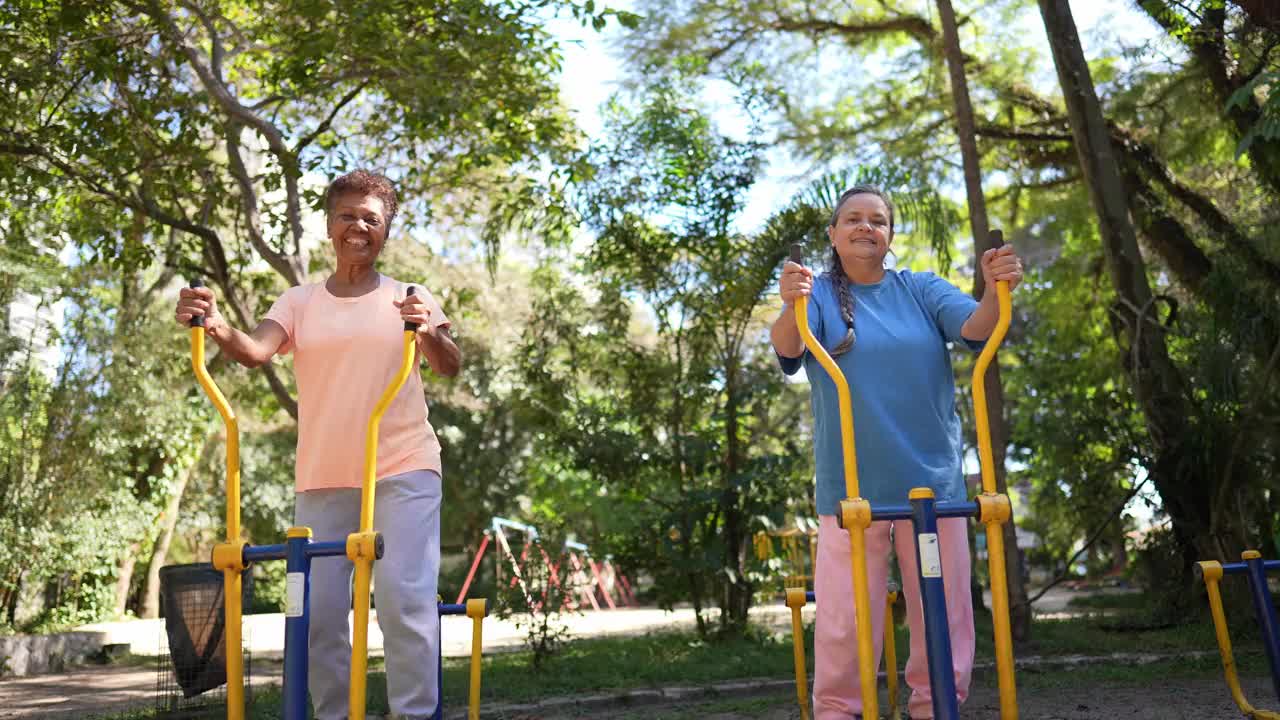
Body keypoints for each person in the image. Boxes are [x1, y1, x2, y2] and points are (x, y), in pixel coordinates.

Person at [175, 170, 461, 720]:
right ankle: (333, 714)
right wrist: (213, 324)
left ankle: (415, 714)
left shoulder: (410, 296)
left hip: (403, 465)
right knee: (318, 613)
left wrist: (427, 331)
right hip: (324, 474)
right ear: (329, 225)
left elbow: (450, 364)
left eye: (372, 219)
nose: (359, 226)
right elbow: (256, 350)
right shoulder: (299, 301)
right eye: (348, 215)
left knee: (403, 600)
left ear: (385, 231)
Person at [770, 185, 1022, 720]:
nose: (866, 227)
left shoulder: (921, 289)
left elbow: (976, 326)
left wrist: (997, 287)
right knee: (846, 619)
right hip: (851, 487)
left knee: (944, 609)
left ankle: (936, 708)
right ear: (834, 235)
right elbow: (789, 348)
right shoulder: (814, 296)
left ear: (889, 236)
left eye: (877, 221)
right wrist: (792, 298)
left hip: (931, 487)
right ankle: (839, 712)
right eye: (853, 220)